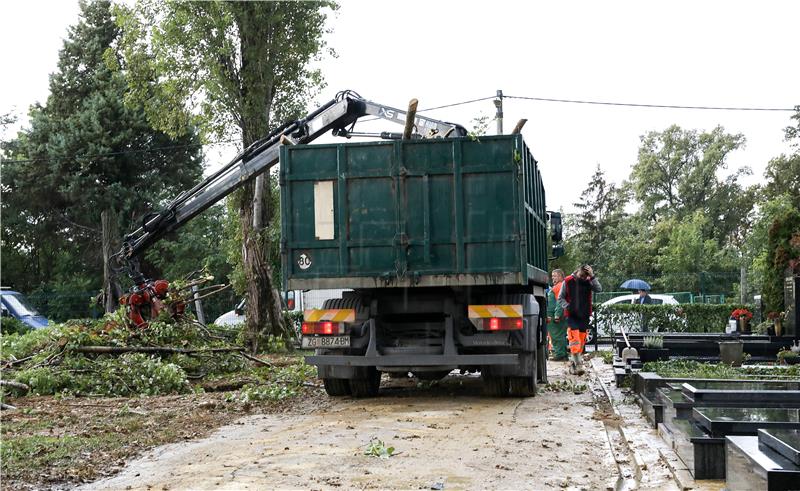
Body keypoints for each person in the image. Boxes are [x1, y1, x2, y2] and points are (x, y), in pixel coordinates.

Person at [558, 264, 602, 375]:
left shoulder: (589, 281)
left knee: (582, 340)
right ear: (578, 271)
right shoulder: (568, 281)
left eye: (585, 276)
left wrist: (592, 276)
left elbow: (599, 289)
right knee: (575, 339)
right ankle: (578, 365)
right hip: (572, 315)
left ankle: (574, 363)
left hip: (584, 315)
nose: (583, 278)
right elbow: (560, 297)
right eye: (582, 275)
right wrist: (567, 306)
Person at [546, 269, 568, 361]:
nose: (553, 278)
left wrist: (557, 315)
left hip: (555, 316)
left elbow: (559, 302)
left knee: (556, 335)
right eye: (552, 276)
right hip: (557, 314)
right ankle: (562, 354)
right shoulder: (559, 286)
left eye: (555, 276)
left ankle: (560, 354)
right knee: (560, 335)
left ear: (560, 276)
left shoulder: (559, 286)